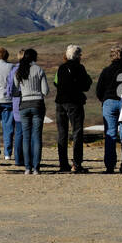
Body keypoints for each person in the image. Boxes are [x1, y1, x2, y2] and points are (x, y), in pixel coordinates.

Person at [95, 45, 122, 175]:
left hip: (109, 102)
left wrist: (104, 100)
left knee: (110, 134)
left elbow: (99, 90)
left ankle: (110, 166)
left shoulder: (106, 71)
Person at [54, 44, 92, 173]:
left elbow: (56, 82)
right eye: (80, 55)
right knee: (77, 132)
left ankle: (63, 164)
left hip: (60, 102)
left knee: (62, 133)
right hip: (74, 103)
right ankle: (76, 164)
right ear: (77, 56)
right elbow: (86, 85)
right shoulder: (80, 68)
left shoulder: (61, 68)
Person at [14, 48, 50, 174]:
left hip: (24, 105)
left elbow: (16, 89)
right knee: (37, 136)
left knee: (26, 137)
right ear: (35, 57)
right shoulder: (39, 70)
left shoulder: (19, 71)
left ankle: (27, 168)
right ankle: (36, 167)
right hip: (38, 104)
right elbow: (45, 91)